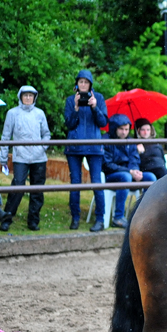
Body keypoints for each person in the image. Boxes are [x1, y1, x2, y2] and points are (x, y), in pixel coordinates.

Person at [0, 85, 51, 232]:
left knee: (37, 190)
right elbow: (5, 136)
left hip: (39, 157)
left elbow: (46, 134)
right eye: (25, 95)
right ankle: (7, 218)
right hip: (20, 156)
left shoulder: (40, 114)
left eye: (31, 95)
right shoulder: (12, 113)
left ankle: (33, 221)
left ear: (35, 97)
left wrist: (41, 148)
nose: (28, 98)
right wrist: (3, 158)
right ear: (20, 96)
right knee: (17, 187)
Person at [64, 69, 109, 231]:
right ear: (77, 83)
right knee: (75, 183)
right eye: (80, 82)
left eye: (86, 82)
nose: (83, 84)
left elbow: (103, 123)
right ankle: (75, 218)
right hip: (74, 147)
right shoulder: (70, 100)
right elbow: (69, 124)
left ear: (90, 84)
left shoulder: (99, 98)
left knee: (97, 183)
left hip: (94, 147)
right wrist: (76, 107)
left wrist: (95, 107)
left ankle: (100, 219)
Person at [103, 114, 156, 229]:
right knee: (125, 177)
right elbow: (107, 165)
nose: (124, 132)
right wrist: (129, 171)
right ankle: (118, 217)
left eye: (126, 129)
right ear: (114, 128)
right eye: (121, 129)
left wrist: (136, 171)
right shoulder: (105, 140)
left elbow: (134, 159)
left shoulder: (131, 141)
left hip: (130, 173)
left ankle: (146, 215)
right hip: (112, 175)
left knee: (150, 177)